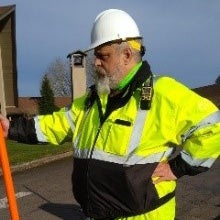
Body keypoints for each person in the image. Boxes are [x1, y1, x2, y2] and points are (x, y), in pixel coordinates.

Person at [0, 8, 220, 220]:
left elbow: (213, 126)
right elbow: (57, 124)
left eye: (102, 56)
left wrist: (177, 167)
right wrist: (13, 128)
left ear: (126, 54)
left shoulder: (163, 93)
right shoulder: (93, 99)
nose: (95, 62)